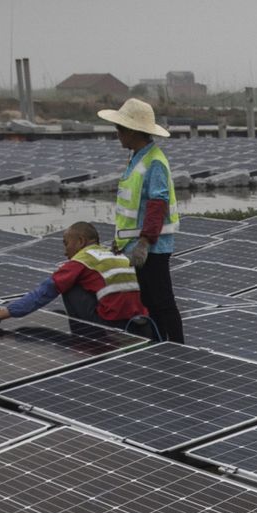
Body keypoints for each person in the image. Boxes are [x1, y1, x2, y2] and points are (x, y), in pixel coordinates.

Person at [0, 222, 159, 339]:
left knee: (67, 285)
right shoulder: (115, 255)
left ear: (81, 241)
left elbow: (42, 294)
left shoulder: (82, 260)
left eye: (66, 243)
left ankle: (86, 336)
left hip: (112, 326)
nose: (64, 250)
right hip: (141, 324)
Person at [97, 97, 184, 345]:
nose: (118, 134)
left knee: (163, 301)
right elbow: (132, 208)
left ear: (135, 131)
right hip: (136, 245)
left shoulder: (154, 161)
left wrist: (145, 242)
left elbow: (157, 204)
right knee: (149, 301)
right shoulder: (137, 157)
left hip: (153, 248)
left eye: (121, 129)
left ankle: (178, 350)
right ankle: (160, 344)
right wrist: (121, 240)